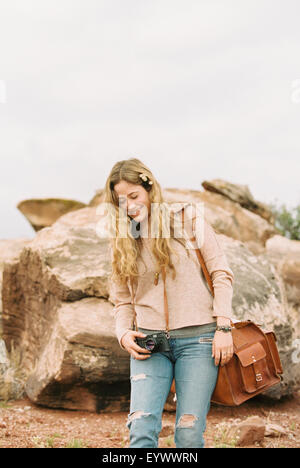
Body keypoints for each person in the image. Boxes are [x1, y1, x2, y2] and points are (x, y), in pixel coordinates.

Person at [105, 158, 235, 448]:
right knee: (140, 430)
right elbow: (123, 300)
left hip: (198, 341)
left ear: (151, 189)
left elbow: (221, 274)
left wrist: (224, 327)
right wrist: (123, 333)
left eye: (135, 196)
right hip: (148, 345)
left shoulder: (188, 219)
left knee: (189, 434)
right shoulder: (123, 238)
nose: (129, 206)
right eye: (120, 201)